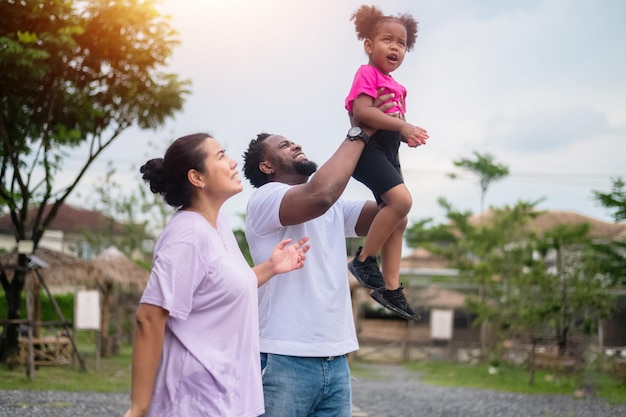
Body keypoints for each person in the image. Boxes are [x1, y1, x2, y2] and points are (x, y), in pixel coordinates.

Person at [242, 92, 424, 417]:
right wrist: (360, 130)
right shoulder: (265, 199)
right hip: (284, 357)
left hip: (336, 359)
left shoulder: (336, 208)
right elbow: (321, 194)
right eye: (284, 146)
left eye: (294, 142)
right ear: (266, 165)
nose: (295, 145)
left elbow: (393, 214)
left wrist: (384, 152)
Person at [123, 133, 310, 417]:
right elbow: (149, 318)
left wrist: (270, 267)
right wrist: (138, 408)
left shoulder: (217, 224)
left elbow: (221, 289)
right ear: (197, 178)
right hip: (194, 401)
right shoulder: (187, 235)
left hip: (230, 399)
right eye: (221, 156)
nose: (233, 162)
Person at [345, 4, 428, 321]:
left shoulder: (399, 87)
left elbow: (395, 117)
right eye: (387, 40)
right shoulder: (366, 73)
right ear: (369, 45)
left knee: (399, 216)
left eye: (402, 43)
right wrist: (402, 126)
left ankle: (390, 288)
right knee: (401, 200)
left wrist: (407, 133)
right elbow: (362, 113)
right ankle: (364, 259)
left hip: (390, 150)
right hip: (369, 149)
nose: (395, 47)